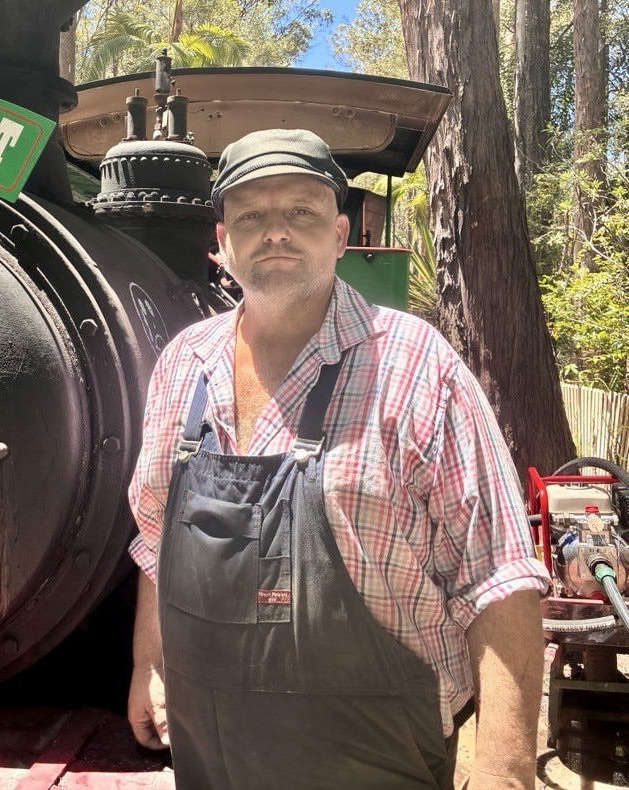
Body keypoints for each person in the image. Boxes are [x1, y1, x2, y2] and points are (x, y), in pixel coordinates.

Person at [126, 128, 549, 790]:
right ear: (222, 243)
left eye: (301, 212)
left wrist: (505, 775)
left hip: (377, 761)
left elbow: (501, 579)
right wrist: (146, 664)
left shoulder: (416, 368)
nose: (276, 232)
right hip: (211, 755)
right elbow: (155, 539)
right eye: (251, 216)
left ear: (340, 233)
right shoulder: (184, 364)